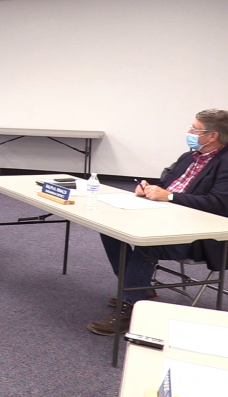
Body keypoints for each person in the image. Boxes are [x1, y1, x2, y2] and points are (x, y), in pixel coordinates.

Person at [87, 108, 228, 336]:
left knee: (148, 244)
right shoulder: (189, 157)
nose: (189, 132)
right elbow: (165, 185)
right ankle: (141, 290)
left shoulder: (225, 163)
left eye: (195, 129)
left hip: (201, 234)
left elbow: (219, 204)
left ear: (212, 136)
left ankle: (130, 307)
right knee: (110, 228)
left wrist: (169, 197)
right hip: (165, 217)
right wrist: (147, 189)